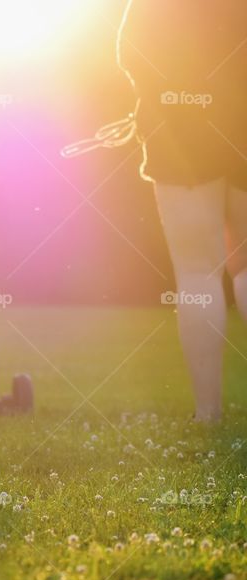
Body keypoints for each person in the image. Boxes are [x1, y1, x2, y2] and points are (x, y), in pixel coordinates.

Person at [118, 0, 247, 422]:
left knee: (197, 273)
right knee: (246, 268)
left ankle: (208, 414)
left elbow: (131, 51)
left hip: (180, 134)